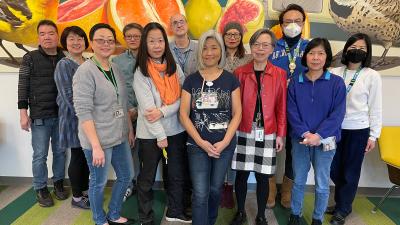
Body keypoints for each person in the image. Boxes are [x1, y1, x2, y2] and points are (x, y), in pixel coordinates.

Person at [73, 23, 135, 225]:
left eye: (110, 40)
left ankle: (114, 213)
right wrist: (96, 146)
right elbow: (83, 111)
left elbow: (122, 103)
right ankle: (99, 219)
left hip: (119, 135)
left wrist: (129, 130)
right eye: (100, 40)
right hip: (97, 140)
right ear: (91, 43)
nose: (106, 44)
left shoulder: (115, 67)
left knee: (126, 175)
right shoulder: (85, 71)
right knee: (98, 182)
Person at [179, 29, 242, 225]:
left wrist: (224, 143)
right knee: (200, 192)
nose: (209, 53)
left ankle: (211, 220)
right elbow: (183, 114)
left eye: (214, 48)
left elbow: (237, 113)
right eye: (205, 48)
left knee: (215, 189)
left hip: (224, 145)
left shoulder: (231, 79)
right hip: (197, 146)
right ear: (200, 53)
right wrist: (200, 141)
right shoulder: (191, 80)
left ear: (220, 51)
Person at [133, 22, 191, 225]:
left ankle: (175, 211)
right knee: (147, 179)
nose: (157, 45)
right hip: (151, 135)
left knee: (176, 175)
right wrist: (160, 136)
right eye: (151, 41)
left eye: (160, 41)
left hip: (176, 130)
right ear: (145, 44)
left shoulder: (172, 63)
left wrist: (164, 111)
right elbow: (149, 113)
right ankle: (146, 218)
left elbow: (184, 95)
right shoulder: (141, 72)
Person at [286, 38, 346, 225]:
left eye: (321, 53)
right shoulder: (296, 82)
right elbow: (291, 111)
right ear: (305, 56)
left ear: (326, 57)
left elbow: (338, 114)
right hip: (300, 140)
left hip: (325, 141)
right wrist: (305, 134)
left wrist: (318, 136)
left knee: (321, 184)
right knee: (299, 181)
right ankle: (295, 214)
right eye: (311, 53)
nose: (315, 57)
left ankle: (317, 218)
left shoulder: (336, 83)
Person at [230, 28, 287, 225]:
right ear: (251, 47)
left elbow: (281, 106)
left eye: (265, 45)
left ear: (272, 49)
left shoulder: (279, 74)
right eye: (256, 44)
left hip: (268, 131)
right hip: (243, 129)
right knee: (241, 174)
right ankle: (240, 212)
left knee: (263, 176)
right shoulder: (240, 73)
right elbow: (233, 106)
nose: (260, 49)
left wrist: (280, 134)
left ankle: (261, 214)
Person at [328, 33, 382, 225]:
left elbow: (376, 107)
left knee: (350, 171)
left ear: (367, 53)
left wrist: (374, 135)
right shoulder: (334, 72)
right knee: (334, 169)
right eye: (353, 47)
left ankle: (343, 208)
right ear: (346, 49)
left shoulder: (372, 76)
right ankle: (341, 202)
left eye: (362, 48)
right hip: (334, 129)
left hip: (358, 130)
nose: (356, 51)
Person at [17, 19, 67, 207]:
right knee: (40, 154)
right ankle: (40, 188)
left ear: (57, 35)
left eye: (51, 33)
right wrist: (23, 113)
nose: (47, 37)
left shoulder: (65, 57)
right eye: (43, 34)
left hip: (62, 116)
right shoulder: (30, 57)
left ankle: (59, 183)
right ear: (38, 37)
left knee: (61, 152)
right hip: (40, 116)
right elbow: (23, 87)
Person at [269, 3, 309, 209]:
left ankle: (287, 191)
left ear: (303, 23)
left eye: (297, 21)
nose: (292, 25)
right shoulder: (271, 47)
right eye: (288, 22)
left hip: (299, 109)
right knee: (269, 147)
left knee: (294, 151)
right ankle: (269, 190)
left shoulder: (310, 48)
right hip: (272, 107)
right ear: (281, 24)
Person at [54, 26, 90, 209]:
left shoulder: (90, 62)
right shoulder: (64, 64)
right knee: (77, 155)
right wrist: (85, 117)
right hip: (73, 119)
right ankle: (77, 197)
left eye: (80, 38)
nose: (76, 42)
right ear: (65, 43)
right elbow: (68, 96)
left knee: (85, 156)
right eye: (72, 39)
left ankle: (83, 191)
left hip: (89, 119)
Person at [112, 22, 143, 201]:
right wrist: (128, 112)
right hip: (126, 115)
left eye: (136, 36)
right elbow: (116, 90)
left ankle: (144, 185)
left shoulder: (150, 59)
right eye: (128, 36)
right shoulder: (117, 61)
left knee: (150, 154)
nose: (132, 39)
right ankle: (129, 185)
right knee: (129, 152)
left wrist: (139, 110)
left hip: (149, 115)